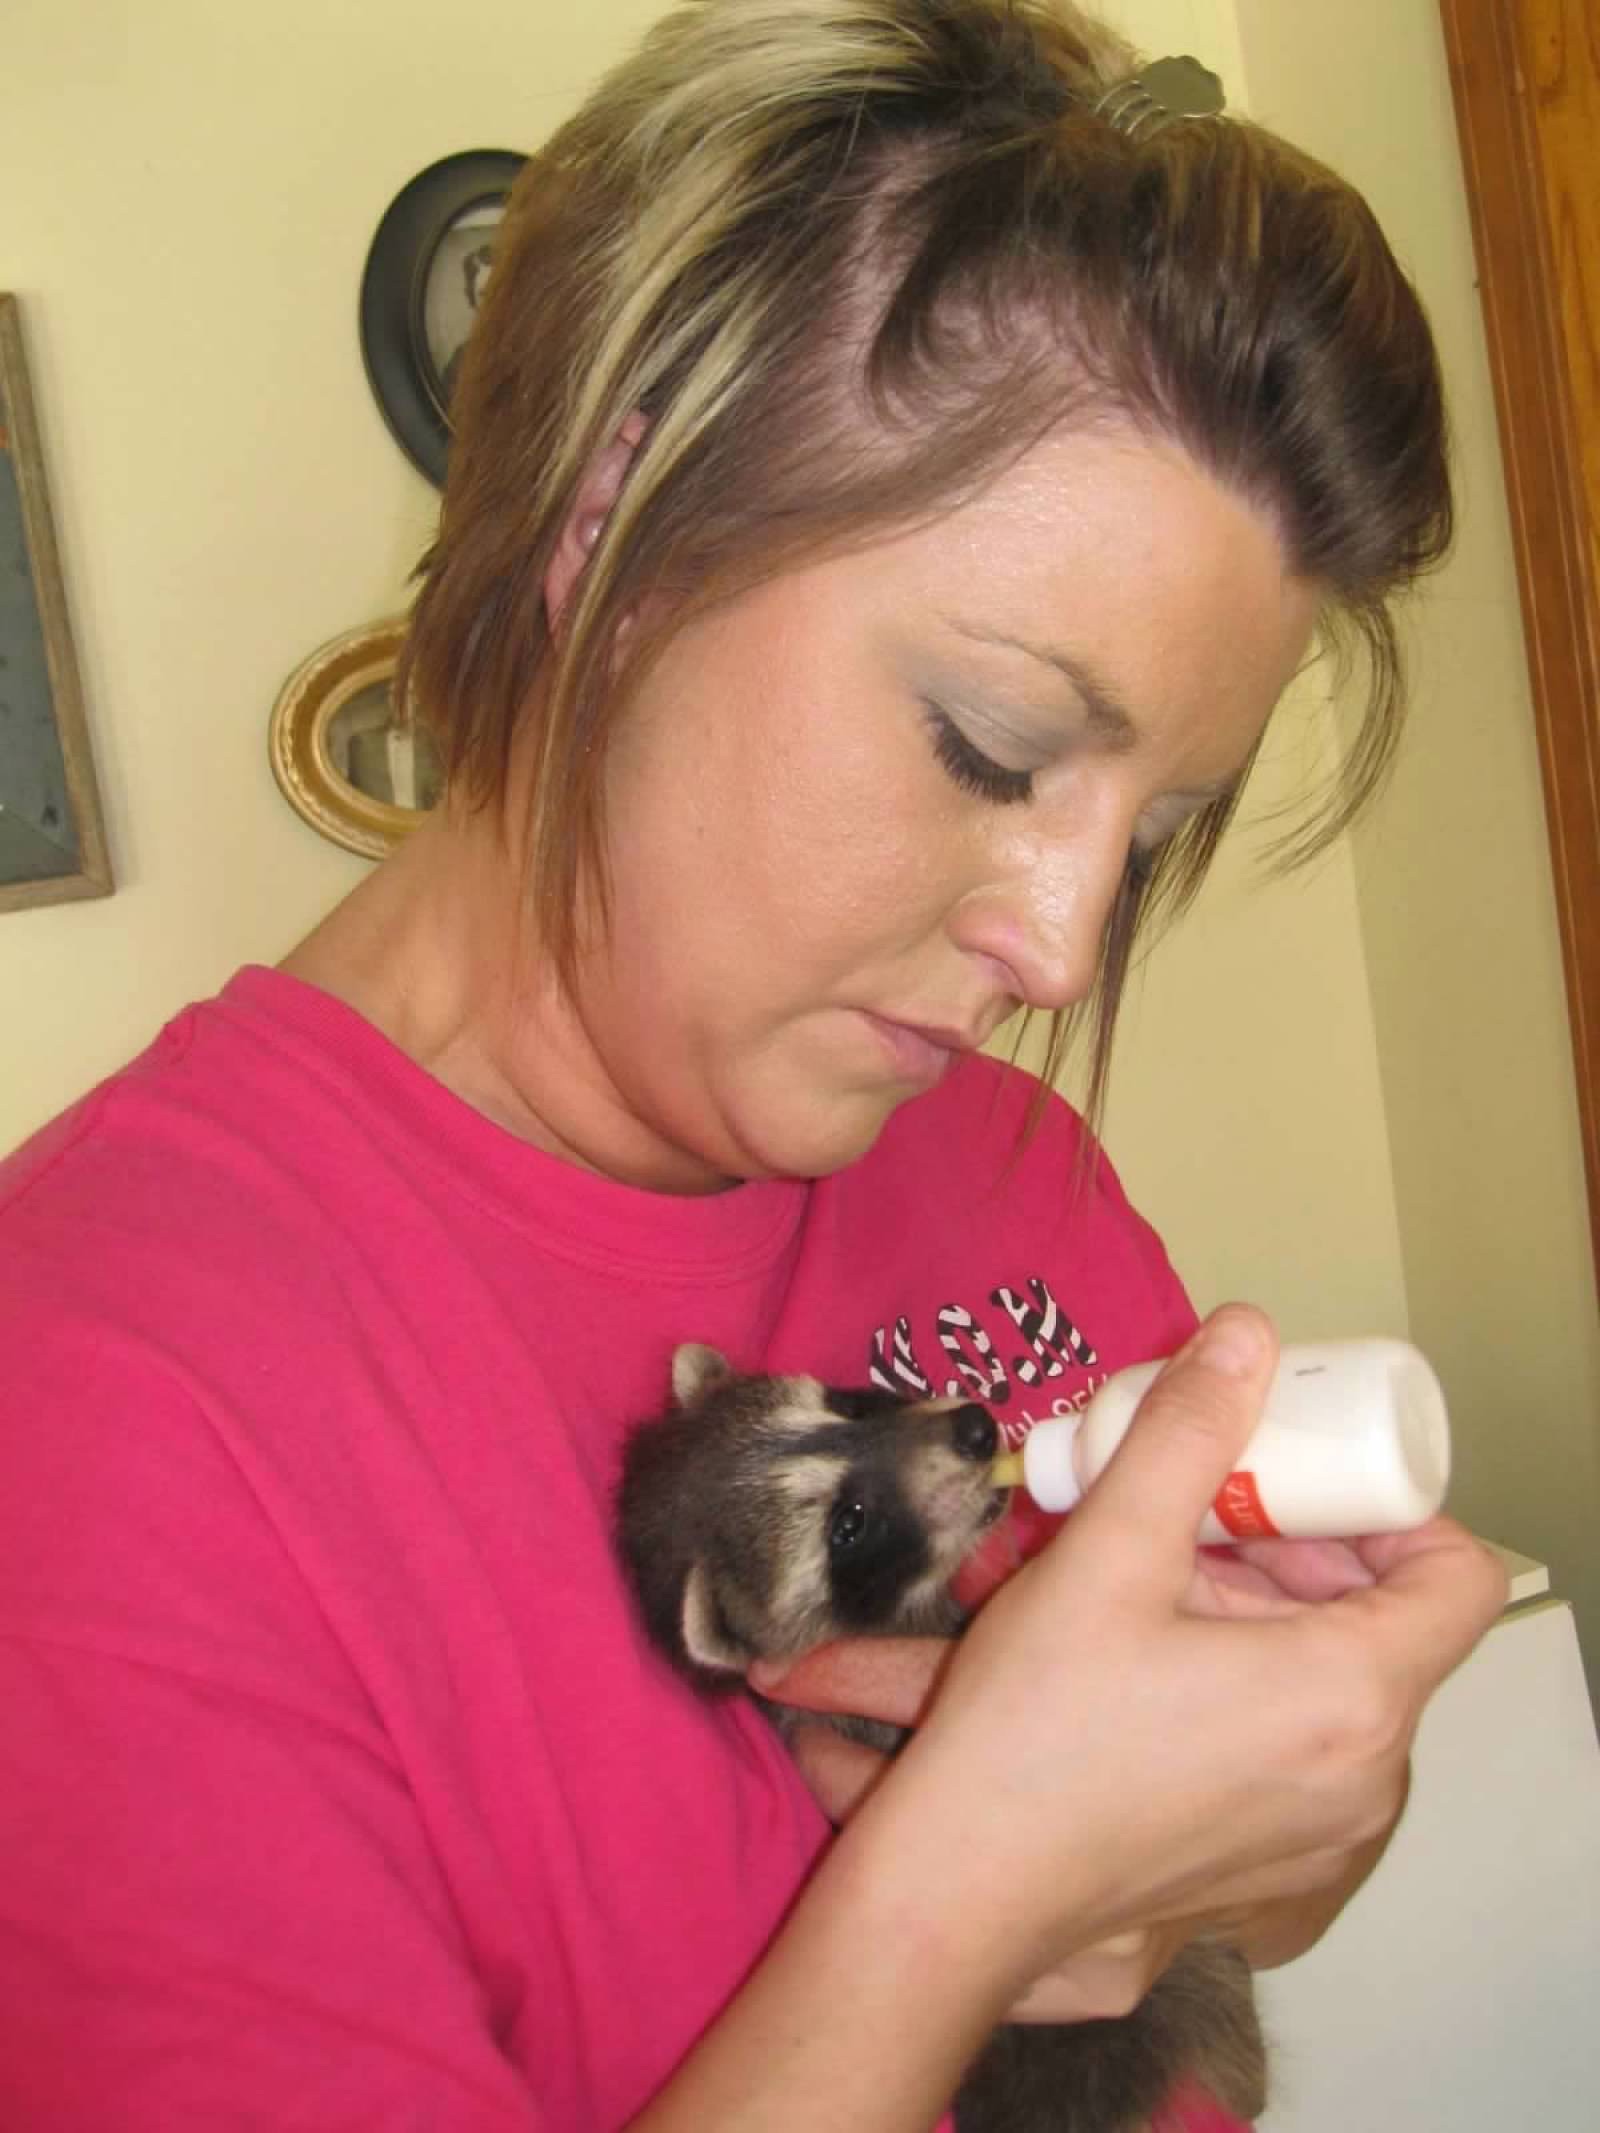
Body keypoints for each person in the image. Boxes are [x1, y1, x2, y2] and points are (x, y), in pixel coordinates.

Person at [0, 2, 1508, 2128]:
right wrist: (964, 1890)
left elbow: (1251, 1898)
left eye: (1153, 825)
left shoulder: (1003, 1160)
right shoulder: (93, 1415)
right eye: (987, 745)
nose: (1060, 948)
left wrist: (1301, 1796)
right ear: (614, 522)